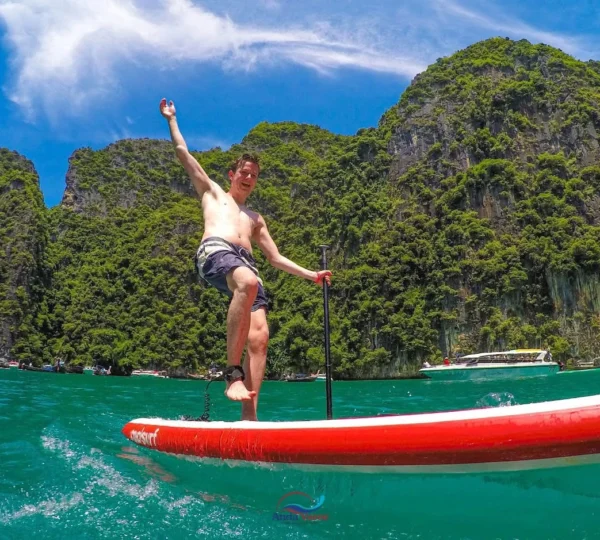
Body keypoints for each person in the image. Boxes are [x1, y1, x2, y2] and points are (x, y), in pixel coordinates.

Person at [160, 98, 332, 421]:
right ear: (232, 174)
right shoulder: (212, 192)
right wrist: (171, 119)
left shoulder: (255, 218)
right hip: (216, 252)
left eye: (254, 175)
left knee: (260, 336)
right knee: (248, 281)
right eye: (244, 172)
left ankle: (249, 417)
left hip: (247, 265)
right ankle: (232, 373)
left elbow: (275, 257)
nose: (249, 178)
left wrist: (312, 275)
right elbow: (183, 153)